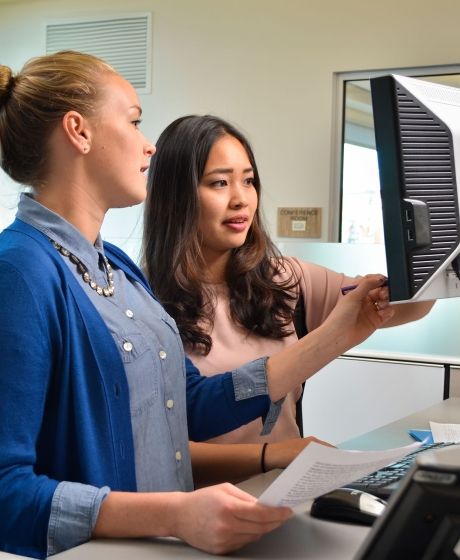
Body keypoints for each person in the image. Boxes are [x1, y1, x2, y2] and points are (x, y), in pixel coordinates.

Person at [0, 51, 341, 559]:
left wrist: (343, 332)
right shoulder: (20, 273)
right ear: (78, 131)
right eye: (134, 122)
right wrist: (175, 513)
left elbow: (192, 405)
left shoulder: (116, 267)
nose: (148, 145)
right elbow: (6, 492)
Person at [142, 114, 435, 445]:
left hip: (287, 490)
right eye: (219, 183)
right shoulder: (141, 303)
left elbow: (410, 306)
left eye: (249, 181)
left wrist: (434, 237)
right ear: (174, 196)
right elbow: (163, 452)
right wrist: (273, 457)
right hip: (210, 496)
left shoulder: (285, 279)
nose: (241, 198)